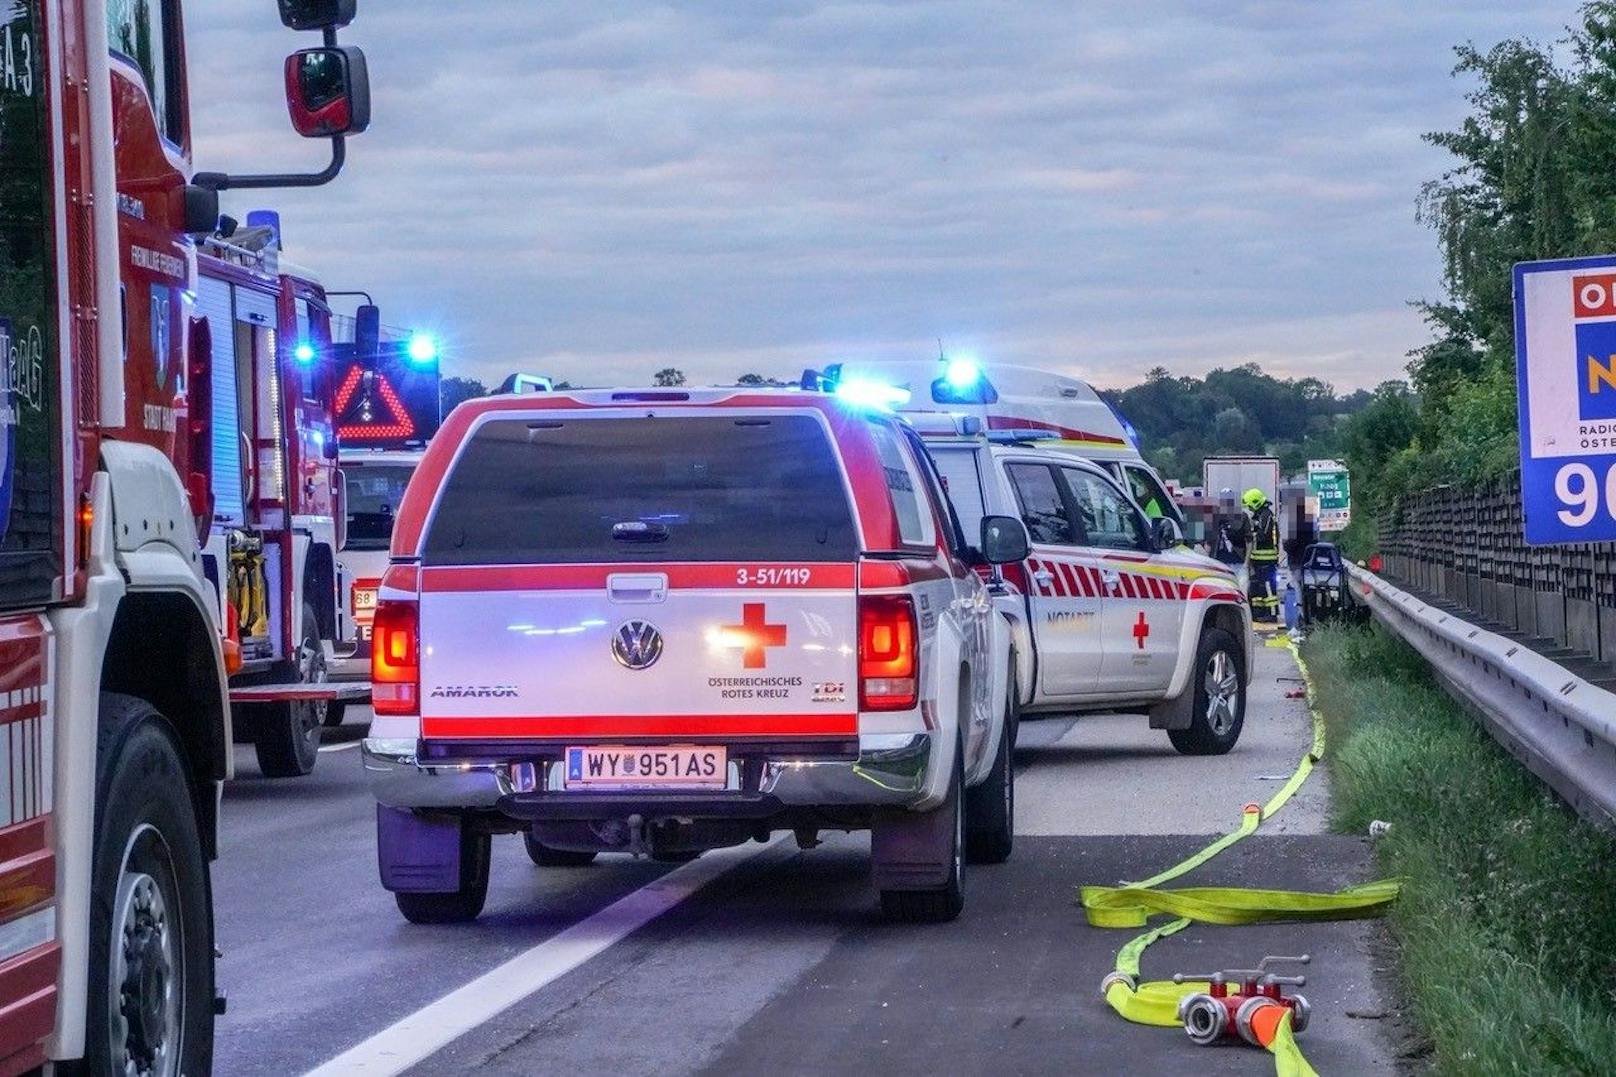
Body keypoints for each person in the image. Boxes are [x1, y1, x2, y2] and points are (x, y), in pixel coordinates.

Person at [1244, 487, 1280, 623]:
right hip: (1257, 559)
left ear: (1255, 502)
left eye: (1250, 506)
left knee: (1268, 587)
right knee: (1257, 588)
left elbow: (1262, 535)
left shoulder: (1267, 515)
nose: (1249, 509)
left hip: (1267, 559)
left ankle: (1271, 613)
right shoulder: (1258, 516)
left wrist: (1250, 534)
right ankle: (1258, 613)